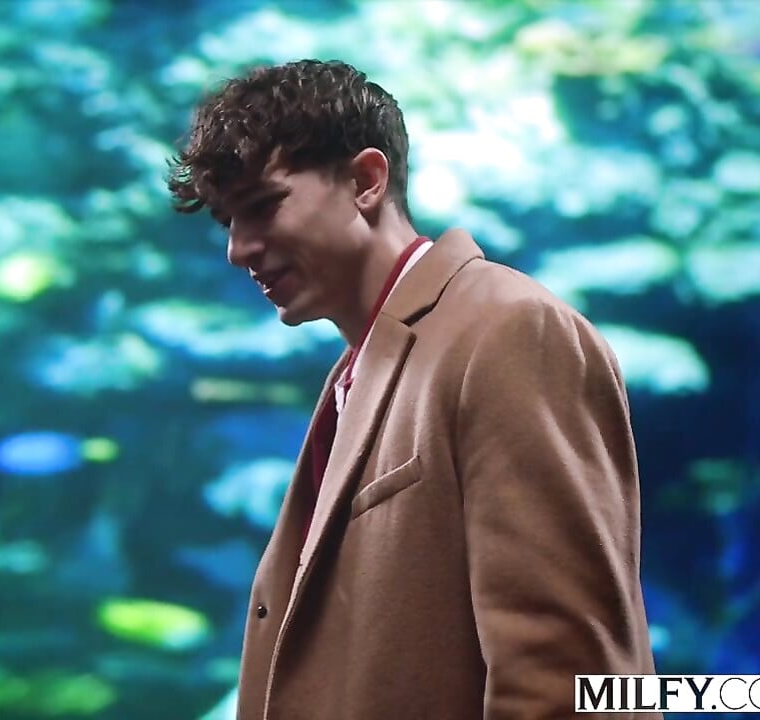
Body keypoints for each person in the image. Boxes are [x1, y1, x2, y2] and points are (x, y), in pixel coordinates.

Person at [167, 59, 659, 719]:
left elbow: (569, 670)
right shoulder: (355, 372)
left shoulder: (508, 329)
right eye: (228, 219)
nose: (237, 249)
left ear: (365, 181)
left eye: (262, 206)